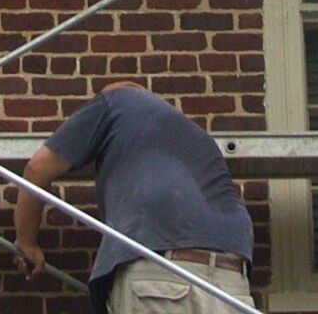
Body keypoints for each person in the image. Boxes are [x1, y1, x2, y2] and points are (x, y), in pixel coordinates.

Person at [13, 80, 257, 314]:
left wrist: (26, 242)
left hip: (160, 270)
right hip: (233, 277)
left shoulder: (115, 101)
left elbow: (37, 169)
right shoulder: (196, 136)